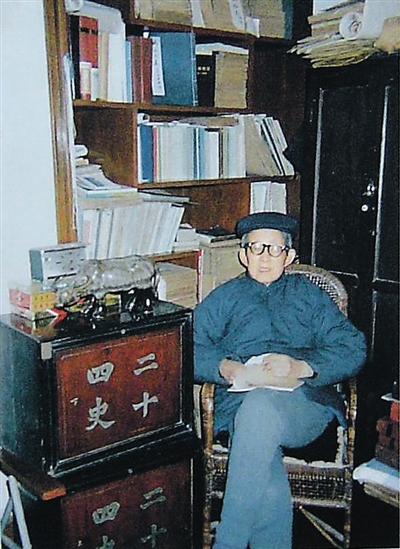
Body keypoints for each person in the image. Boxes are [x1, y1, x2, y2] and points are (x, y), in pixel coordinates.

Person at [193, 212, 367, 549]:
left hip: (303, 406)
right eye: (256, 248)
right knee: (268, 483)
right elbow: (186, 345)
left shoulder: (310, 296)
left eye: (274, 250)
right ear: (243, 254)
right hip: (239, 405)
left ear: (289, 257)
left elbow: (353, 347)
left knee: (259, 408)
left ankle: (227, 542)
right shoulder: (225, 297)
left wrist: (302, 366)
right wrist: (229, 369)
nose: (264, 258)